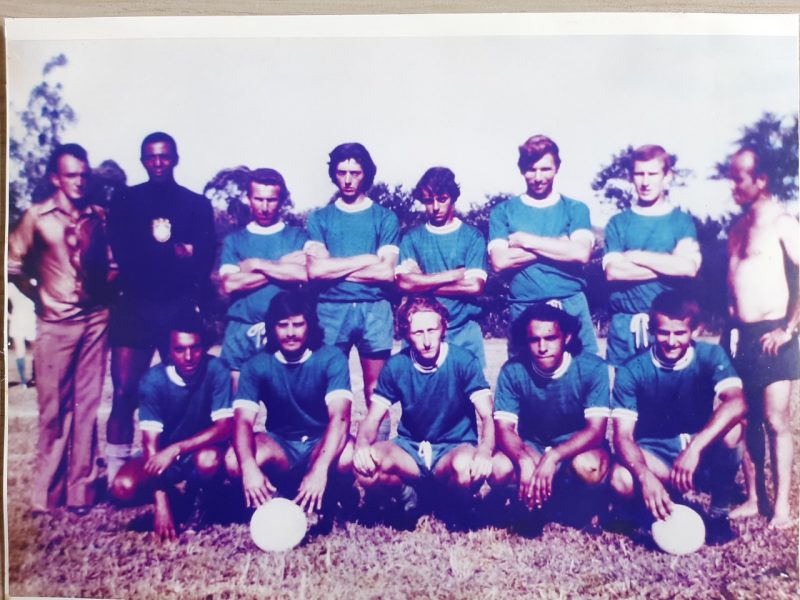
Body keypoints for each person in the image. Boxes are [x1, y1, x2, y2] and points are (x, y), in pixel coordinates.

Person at [106, 132, 216, 483]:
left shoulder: (195, 204)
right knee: (124, 393)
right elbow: (125, 256)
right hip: (134, 306)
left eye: (164, 157)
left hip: (178, 310)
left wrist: (171, 255)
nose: (158, 163)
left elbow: (203, 260)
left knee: (182, 392)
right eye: (151, 157)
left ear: (176, 159)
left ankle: (184, 470)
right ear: (142, 160)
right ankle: (115, 471)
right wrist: (177, 251)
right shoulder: (124, 200)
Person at [8, 143, 113, 512]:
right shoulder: (37, 216)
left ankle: (81, 491)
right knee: (53, 410)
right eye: (71, 175)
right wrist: (37, 296)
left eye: (84, 175)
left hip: (96, 320)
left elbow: (111, 263)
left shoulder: (99, 216)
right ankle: (47, 495)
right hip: (55, 323)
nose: (79, 181)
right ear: (56, 177)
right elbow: (11, 264)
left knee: (87, 407)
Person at [609, 291, 746, 538]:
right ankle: (645, 508)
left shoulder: (709, 355)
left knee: (735, 428)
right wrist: (644, 476)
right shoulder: (632, 369)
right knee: (621, 478)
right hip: (656, 456)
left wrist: (694, 448)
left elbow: (737, 403)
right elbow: (622, 437)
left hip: (699, 453)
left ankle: (718, 513)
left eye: (679, 332)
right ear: (652, 330)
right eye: (663, 332)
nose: (671, 341)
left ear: (695, 330)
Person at [350, 296, 494, 527]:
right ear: (407, 334)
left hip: (453, 447)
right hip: (410, 448)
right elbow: (373, 417)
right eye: (418, 333)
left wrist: (485, 451)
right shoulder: (397, 365)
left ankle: (453, 505)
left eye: (432, 330)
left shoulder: (464, 361)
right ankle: (408, 496)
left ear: (443, 328)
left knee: (466, 466)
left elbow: (487, 415)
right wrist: (361, 447)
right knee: (365, 468)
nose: (427, 341)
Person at [225, 291, 353, 517]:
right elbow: (242, 421)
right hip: (281, 444)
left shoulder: (332, 358)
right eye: (283, 325)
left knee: (348, 456)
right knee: (234, 461)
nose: (291, 333)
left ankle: (333, 493)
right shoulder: (256, 365)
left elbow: (340, 418)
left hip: (320, 442)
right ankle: (273, 494)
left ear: (310, 326)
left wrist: (320, 469)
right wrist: (249, 468)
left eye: (298, 324)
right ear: (271, 328)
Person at [109, 311, 233, 541]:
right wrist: (161, 503)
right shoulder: (152, 381)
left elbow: (225, 427)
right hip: (165, 458)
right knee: (122, 486)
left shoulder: (217, 369)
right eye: (179, 349)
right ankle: (175, 500)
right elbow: (150, 446)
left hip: (201, 451)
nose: (188, 356)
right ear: (168, 351)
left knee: (208, 460)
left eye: (195, 348)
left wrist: (176, 448)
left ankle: (201, 502)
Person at [725, 147, 799, 529]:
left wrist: (788, 329)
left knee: (775, 419)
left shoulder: (783, 222)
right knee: (747, 419)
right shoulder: (737, 228)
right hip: (739, 335)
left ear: (761, 180)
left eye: (739, 177)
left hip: (774, 335)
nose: (733, 184)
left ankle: (782, 509)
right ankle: (755, 498)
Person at [304, 142, 400, 439]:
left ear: (365, 175)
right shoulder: (320, 218)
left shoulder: (385, 218)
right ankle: (336, 458)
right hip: (330, 311)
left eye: (354, 173)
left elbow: (386, 272)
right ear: (333, 174)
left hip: (375, 311)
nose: (347, 179)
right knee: (332, 388)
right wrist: (365, 260)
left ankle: (376, 454)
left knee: (376, 389)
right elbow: (315, 271)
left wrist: (337, 269)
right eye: (341, 172)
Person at [491, 303, 610, 521]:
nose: (542, 347)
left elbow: (596, 431)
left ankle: (580, 505)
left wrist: (553, 457)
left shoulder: (592, 367)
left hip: (575, 450)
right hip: (532, 447)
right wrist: (524, 460)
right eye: (534, 340)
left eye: (551, 338)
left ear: (566, 338)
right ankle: (528, 505)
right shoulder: (513, 370)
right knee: (498, 468)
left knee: (589, 467)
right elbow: (504, 429)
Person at [488, 134, 598, 354]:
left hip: (572, 306)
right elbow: (499, 261)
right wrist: (559, 245)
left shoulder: (576, 209)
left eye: (545, 169)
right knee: (525, 379)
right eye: (531, 169)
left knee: (583, 374)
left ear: (557, 167)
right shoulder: (503, 211)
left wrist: (524, 241)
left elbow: (581, 253)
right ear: (521, 169)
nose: (538, 177)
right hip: (524, 307)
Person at [603, 145, 701, 367]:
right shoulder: (618, 223)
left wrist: (636, 255)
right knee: (624, 400)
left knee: (670, 398)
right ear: (631, 177)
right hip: (625, 328)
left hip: (669, 328)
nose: (645, 181)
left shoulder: (681, 222)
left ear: (667, 177)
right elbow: (614, 272)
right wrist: (668, 263)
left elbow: (688, 268)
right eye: (639, 174)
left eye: (652, 174)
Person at [218, 168, 308, 389]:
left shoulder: (297, 236)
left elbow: (303, 274)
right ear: (248, 198)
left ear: (282, 200)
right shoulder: (234, 240)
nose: (265, 207)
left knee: (284, 411)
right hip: (240, 332)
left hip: (284, 332)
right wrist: (282, 267)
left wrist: (257, 265)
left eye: (271, 200)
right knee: (236, 409)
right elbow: (230, 284)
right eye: (259, 199)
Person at [395, 167, 488, 367]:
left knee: (471, 395)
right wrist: (454, 275)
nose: (435, 207)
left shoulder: (472, 236)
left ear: (453, 197)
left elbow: (474, 287)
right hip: (420, 333)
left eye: (442, 199)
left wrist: (420, 281)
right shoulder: (412, 237)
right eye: (428, 201)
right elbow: (403, 283)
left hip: (463, 331)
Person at [8, 280, 37, 388]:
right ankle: (23, 381)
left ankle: (35, 378)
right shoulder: (12, 286)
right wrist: (9, 317)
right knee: (20, 352)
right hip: (18, 322)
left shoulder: (36, 281)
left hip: (32, 321)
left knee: (37, 351)